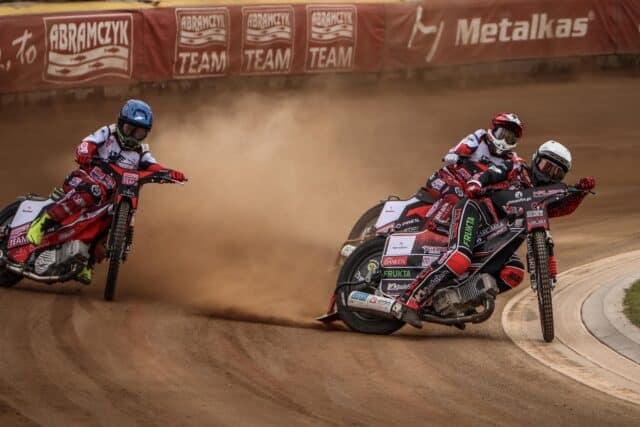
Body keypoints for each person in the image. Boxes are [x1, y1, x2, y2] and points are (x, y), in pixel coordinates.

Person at [393, 140, 595, 328]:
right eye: (546, 166)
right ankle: (408, 300)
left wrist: (580, 193)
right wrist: (476, 183)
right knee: (459, 256)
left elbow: (561, 209)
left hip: (497, 237)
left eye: (557, 173)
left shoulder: (546, 196)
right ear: (536, 159)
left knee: (514, 272)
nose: (549, 175)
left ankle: (460, 302)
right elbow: (490, 174)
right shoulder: (516, 168)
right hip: (477, 212)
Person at [26, 99, 186, 284]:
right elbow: (86, 143)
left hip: (109, 197)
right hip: (83, 180)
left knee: (113, 217)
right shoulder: (107, 133)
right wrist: (84, 152)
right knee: (93, 191)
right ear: (120, 123)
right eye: (130, 129)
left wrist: (170, 173)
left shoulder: (141, 152)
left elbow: (154, 167)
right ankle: (43, 223)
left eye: (139, 132)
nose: (132, 136)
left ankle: (87, 262)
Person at [423, 112, 525, 235]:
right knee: (455, 194)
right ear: (493, 129)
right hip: (446, 178)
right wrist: (455, 155)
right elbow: (460, 148)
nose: (504, 141)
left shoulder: (511, 160)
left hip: (475, 192)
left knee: (490, 210)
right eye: (502, 134)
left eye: (509, 138)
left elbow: (514, 181)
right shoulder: (480, 137)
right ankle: (431, 227)